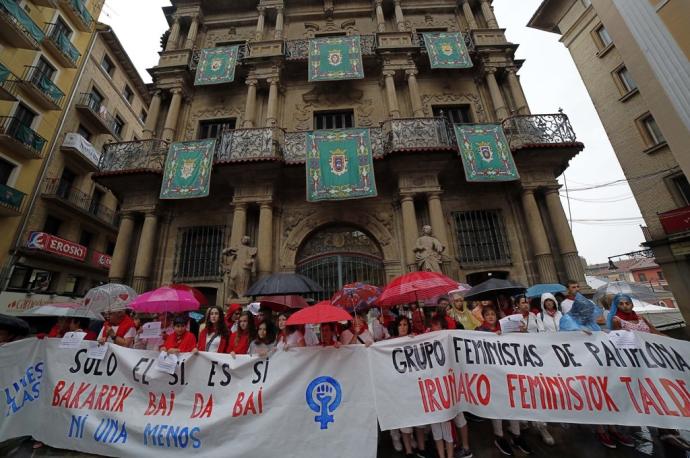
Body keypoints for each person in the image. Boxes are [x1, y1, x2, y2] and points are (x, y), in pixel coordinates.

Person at [607, 294, 689, 451]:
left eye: (627, 303)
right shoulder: (617, 320)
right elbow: (619, 340)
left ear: (632, 304)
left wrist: (677, 343)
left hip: (652, 361)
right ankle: (664, 430)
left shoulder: (642, 318)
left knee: (662, 391)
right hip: (636, 364)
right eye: (622, 304)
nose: (625, 306)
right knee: (650, 395)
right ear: (617, 306)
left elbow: (656, 333)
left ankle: (669, 430)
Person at [560, 295, 634, 449]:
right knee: (595, 396)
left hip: (599, 363)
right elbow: (566, 335)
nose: (589, 314)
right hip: (580, 364)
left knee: (607, 394)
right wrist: (580, 332)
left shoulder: (590, 321)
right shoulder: (567, 319)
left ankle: (613, 428)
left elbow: (599, 334)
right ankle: (601, 430)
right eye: (586, 311)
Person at [476, 306, 532, 455]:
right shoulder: (479, 330)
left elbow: (521, 341)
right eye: (487, 314)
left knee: (513, 403)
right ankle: (499, 436)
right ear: (483, 317)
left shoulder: (507, 327)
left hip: (508, 372)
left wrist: (523, 330)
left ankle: (516, 435)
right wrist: (493, 337)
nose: (490, 317)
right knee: (497, 406)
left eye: (493, 314)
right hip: (492, 373)